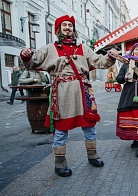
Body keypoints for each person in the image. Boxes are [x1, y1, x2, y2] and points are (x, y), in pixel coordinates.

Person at [20, 15, 117, 177]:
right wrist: (26, 55)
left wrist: (110, 56)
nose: (67, 28)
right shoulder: (50, 48)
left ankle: (92, 155)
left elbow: (100, 62)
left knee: (89, 125)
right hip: (62, 92)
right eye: (64, 25)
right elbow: (32, 62)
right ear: (58, 29)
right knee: (61, 128)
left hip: (83, 91)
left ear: (73, 29)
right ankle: (60, 163)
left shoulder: (83, 48)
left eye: (70, 25)